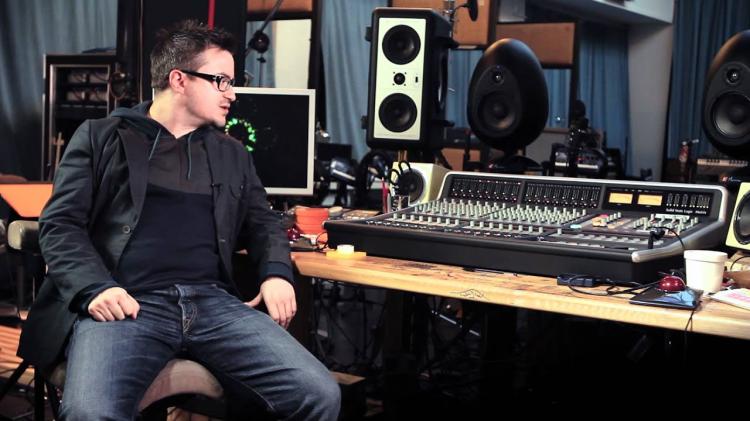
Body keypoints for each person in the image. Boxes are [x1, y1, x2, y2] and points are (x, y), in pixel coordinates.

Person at [18, 20, 340, 420]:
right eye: (221, 81)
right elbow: (60, 224)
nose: (232, 93)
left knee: (318, 393)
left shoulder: (231, 154)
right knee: (90, 411)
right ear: (179, 80)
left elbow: (264, 222)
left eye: (232, 82)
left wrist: (276, 273)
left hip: (213, 305)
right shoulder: (102, 137)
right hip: (128, 303)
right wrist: (95, 288)